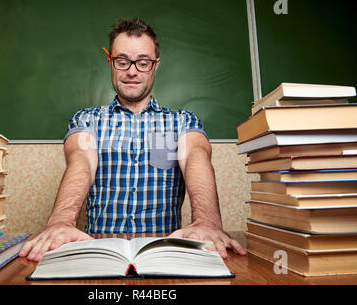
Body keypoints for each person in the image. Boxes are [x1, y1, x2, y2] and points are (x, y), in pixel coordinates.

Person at [19, 17, 246, 262]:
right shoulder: (87, 120)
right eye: (122, 61)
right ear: (110, 62)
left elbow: (196, 155)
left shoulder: (182, 122)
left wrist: (208, 222)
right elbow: (81, 159)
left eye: (143, 62)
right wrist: (61, 222)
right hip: (100, 256)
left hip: (166, 257)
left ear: (155, 65)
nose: (132, 71)